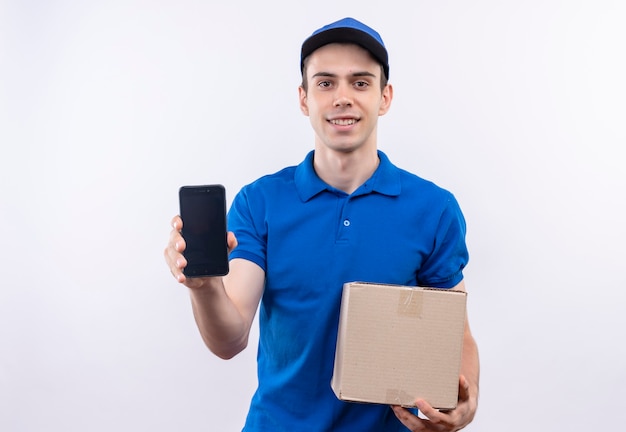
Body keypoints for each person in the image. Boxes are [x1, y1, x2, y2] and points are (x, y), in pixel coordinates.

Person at [164, 17, 479, 432]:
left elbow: (455, 336)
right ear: (303, 98)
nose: (342, 98)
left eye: (360, 83)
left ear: (385, 97)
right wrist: (204, 288)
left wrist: (466, 401)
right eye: (326, 83)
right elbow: (230, 338)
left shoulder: (433, 209)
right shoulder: (259, 203)